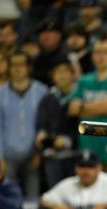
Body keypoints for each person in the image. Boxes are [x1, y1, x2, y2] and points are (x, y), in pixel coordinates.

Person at [68, 38, 107, 180]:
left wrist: (84, 108)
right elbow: (72, 109)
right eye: (97, 52)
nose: (101, 56)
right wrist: (104, 107)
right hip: (88, 145)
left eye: (105, 52)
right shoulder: (84, 81)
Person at [0, 51, 48, 198]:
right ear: (8, 68)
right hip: (8, 156)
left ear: (28, 67)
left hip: (33, 154)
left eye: (21, 64)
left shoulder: (42, 91)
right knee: (9, 197)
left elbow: (45, 124)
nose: (17, 68)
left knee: (33, 196)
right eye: (13, 65)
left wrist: (39, 152)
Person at [35, 58, 78, 188]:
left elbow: (83, 124)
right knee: (56, 192)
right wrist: (41, 134)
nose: (62, 75)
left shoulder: (80, 95)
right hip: (52, 155)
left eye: (65, 71)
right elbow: (41, 124)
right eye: (58, 72)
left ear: (72, 74)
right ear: (53, 76)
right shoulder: (48, 98)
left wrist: (67, 140)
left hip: (75, 154)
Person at [33, 18, 67, 87]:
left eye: (51, 33)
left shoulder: (67, 57)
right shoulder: (35, 60)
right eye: (43, 33)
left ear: (59, 36)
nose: (47, 36)